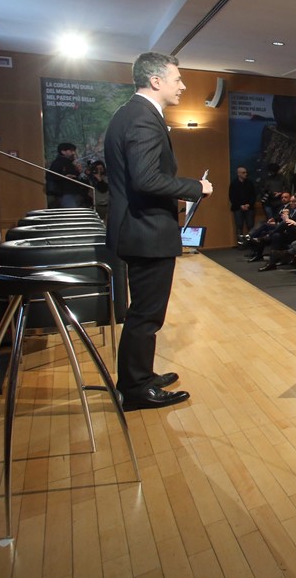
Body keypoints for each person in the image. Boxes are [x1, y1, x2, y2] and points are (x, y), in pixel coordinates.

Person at [104, 52, 211, 411]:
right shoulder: (143, 119)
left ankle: (140, 376)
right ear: (155, 81)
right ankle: (135, 389)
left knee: (144, 312)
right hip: (145, 231)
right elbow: (146, 179)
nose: (182, 85)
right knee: (146, 315)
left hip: (139, 228)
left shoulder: (131, 113)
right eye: (177, 79)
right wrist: (196, 187)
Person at [47, 142, 85, 207]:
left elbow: (73, 175)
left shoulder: (70, 163)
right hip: (65, 193)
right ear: (63, 152)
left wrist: (78, 172)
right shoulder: (58, 162)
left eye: (74, 151)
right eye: (71, 151)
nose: (73, 153)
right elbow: (51, 176)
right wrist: (64, 177)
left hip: (74, 192)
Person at [229, 166, 257, 244]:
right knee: (239, 226)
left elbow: (253, 195)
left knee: (250, 226)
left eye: (246, 172)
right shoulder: (234, 184)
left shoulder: (250, 183)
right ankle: (240, 244)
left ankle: (251, 243)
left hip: (249, 208)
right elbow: (232, 197)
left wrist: (248, 204)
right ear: (239, 174)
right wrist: (240, 205)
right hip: (238, 208)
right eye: (243, 173)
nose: (245, 174)